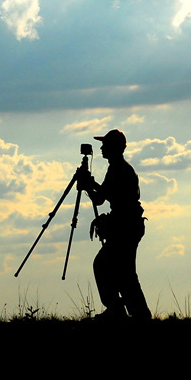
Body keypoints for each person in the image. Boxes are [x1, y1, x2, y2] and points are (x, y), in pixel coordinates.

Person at [77, 129, 151, 321]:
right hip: (127, 225)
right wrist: (90, 185)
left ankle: (127, 312)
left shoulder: (120, 169)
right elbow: (101, 198)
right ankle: (132, 313)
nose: (101, 148)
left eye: (105, 144)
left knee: (112, 268)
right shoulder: (117, 168)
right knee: (121, 271)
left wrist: (89, 184)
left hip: (126, 226)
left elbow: (104, 197)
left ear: (114, 148)